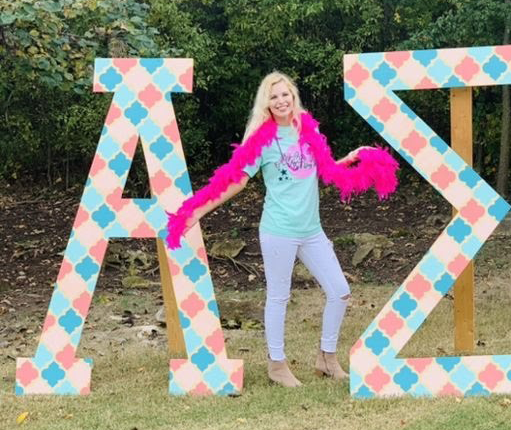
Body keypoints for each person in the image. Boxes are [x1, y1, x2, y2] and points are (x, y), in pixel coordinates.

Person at [165, 72, 397, 387]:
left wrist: (354, 158)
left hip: (311, 230)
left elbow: (323, 171)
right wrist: (198, 212)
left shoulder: (307, 130)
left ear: (293, 96)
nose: (281, 101)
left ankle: (326, 358)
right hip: (279, 230)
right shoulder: (262, 139)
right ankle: (277, 365)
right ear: (267, 103)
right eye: (273, 97)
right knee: (279, 297)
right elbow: (236, 181)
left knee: (340, 291)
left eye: (285, 94)